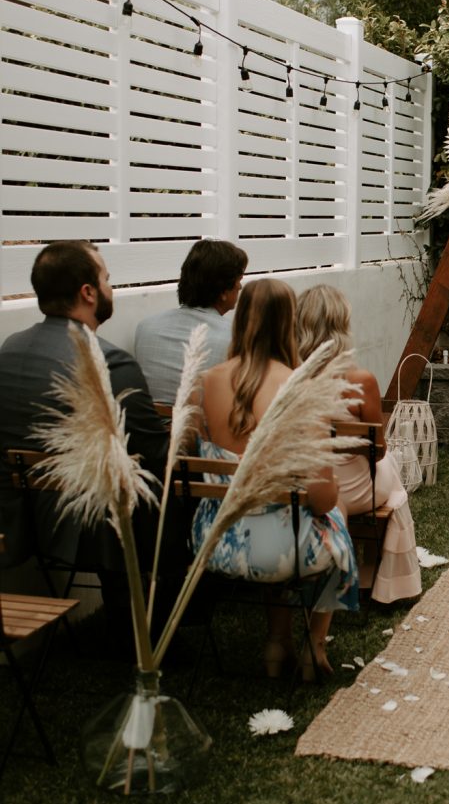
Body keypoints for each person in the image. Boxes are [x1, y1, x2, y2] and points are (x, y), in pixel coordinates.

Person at [0, 241, 170, 654]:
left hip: (14, 517)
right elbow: (158, 452)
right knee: (172, 487)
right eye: (107, 279)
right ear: (88, 292)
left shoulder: (7, 351)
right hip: (87, 526)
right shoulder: (107, 361)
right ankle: (157, 626)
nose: (111, 287)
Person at [192, 278, 359, 679]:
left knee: (275, 517)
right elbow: (320, 498)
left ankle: (275, 642)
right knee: (334, 511)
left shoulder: (209, 381)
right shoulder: (301, 388)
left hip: (214, 543)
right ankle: (313, 646)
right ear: (290, 324)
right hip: (280, 551)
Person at [295, 283, 421, 605]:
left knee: (387, 468)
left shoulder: (289, 379)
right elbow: (377, 449)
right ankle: (385, 579)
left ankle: (372, 571)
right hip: (354, 491)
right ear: (341, 328)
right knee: (391, 473)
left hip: (302, 487)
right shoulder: (360, 380)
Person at [134, 239, 248, 403]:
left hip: (153, 427)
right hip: (203, 427)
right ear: (223, 291)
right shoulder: (237, 337)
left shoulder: (145, 328)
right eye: (239, 280)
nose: (240, 287)